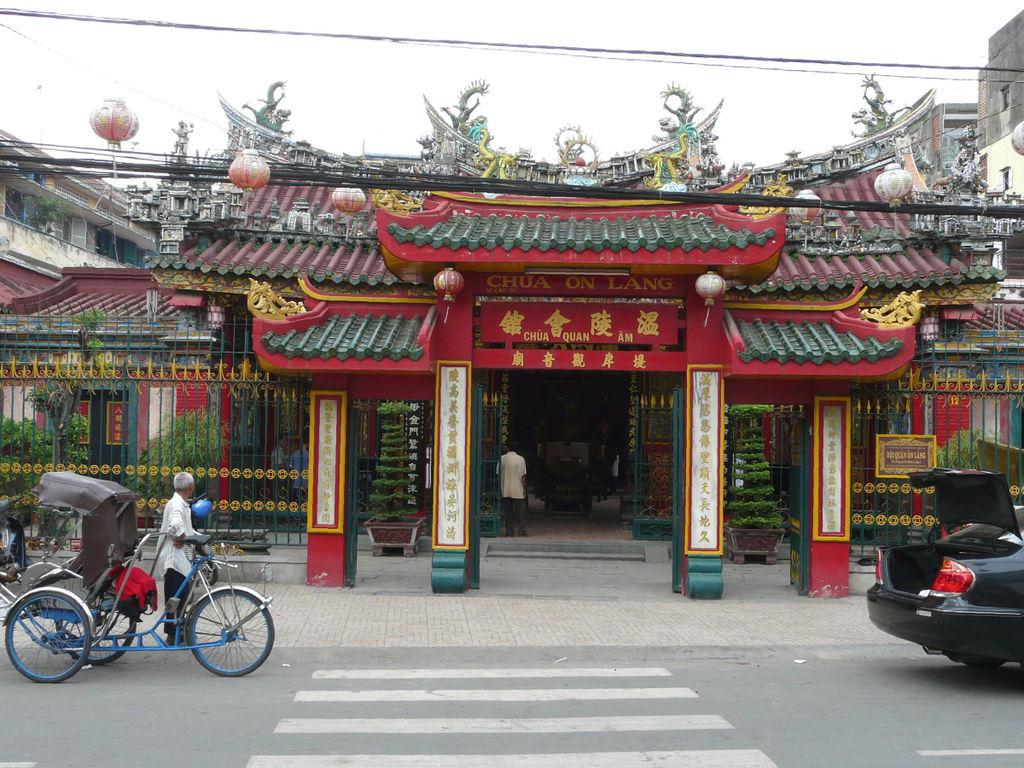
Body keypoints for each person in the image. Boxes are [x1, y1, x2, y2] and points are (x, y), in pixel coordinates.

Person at [159, 471, 198, 645]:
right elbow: (175, 525)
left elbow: (186, 529)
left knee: (180, 597)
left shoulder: (181, 504)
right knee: (174, 598)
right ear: (190, 487)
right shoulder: (176, 504)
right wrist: (180, 537)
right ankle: (171, 633)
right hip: (174, 560)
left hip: (180, 560)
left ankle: (178, 631)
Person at [499, 442, 528, 537]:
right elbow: (523, 476)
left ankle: (509, 531)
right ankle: (521, 529)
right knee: (520, 512)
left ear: (507, 448)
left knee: (508, 512)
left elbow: (498, 475)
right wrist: (524, 489)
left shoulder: (502, 459)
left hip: (505, 489)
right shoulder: (521, 459)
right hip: (518, 489)